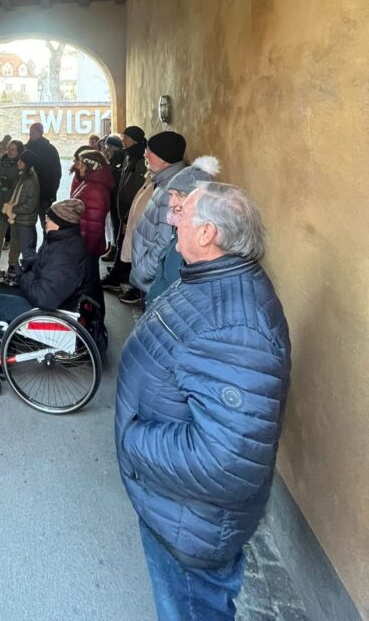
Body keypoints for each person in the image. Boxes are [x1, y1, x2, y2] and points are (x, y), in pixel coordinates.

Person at [116, 183, 291, 620]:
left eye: (183, 214)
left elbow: (225, 460)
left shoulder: (238, 328)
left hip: (191, 523)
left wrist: (133, 440)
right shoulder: (212, 279)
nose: (172, 220)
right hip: (177, 508)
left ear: (208, 233)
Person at [0, 197, 101, 327]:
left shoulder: (66, 255)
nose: (45, 219)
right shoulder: (60, 240)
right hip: (54, 299)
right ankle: (5, 332)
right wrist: (29, 265)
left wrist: (23, 276)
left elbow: (45, 299)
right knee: (1, 289)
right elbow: (46, 265)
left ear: (59, 223)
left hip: (57, 315)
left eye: (50, 218)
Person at [120, 130, 187, 307]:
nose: (145, 154)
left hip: (152, 277)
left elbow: (165, 243)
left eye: (149, 150)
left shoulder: (171, 191)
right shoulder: (162, 180)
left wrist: (144, 271)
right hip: (150, 273)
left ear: (163, 158)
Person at [146, 156, 221, 306]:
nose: (172, 203)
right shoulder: (180, 226)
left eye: (180, 195)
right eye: (170, 194)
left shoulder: (201, 238)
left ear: (199, 199)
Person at [104, 125, 148, 290]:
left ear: (135, 140)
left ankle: (118, 276)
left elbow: (138, 188)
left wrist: (130, 211)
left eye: (126, 138)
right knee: (120, 239)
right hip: (122, 207)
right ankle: (120, 270)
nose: (123, 141)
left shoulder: (140, 160)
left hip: (131, 209)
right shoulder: (128, 156)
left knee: (126, 242)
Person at [0, 139, 23, 268]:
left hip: (15, 206)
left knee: (15, 237)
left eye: (13, 149)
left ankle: (13, 264)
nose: (10, 152)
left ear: (19, 151)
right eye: (9, 149)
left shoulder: (22, 164)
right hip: (2, 203)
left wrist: (4, 183)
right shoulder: (3, 162)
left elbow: (21, 183)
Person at [3, 148, 40, 264]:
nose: (18, 162)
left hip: (26, 222)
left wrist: (12, 208)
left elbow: (29, 206)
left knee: (27, 252)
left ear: (26, 164)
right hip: (22, 220)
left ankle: (33, 273)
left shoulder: (30, 181)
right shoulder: (24, 177)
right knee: (26, 250)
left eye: (21, 161)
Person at [73, 149, 111, 259]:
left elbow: (94, 226)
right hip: (83, 243)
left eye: (81, 165)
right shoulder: (89, 183)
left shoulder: (95, 190)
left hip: (86, 247)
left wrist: (85, 252)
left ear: (90, 166)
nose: (78, 167)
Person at [25, 122, 62, 228]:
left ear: (40, 133)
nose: (31, 134)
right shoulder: (25, 148)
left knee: (45, 223)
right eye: (30, 131)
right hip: (27, 193)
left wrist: (52, 192)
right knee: (27, 224)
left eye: (34, 132)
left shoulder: (50, 149)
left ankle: (47, 239)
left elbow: (56, 173)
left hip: (44, 193)